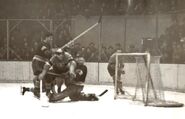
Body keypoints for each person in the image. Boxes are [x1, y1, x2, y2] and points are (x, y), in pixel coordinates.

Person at [21, 32, 53, 98]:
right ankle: (39, 91)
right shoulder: (42, 44)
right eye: (50, 37)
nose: (51, 39)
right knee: (41, 75)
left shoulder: (48, 45)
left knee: (46, 76)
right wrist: (54, 51)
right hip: (37, 62)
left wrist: (56, 52)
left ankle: (44, 92)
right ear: (46, 37)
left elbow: (50, 56)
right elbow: (47, 53)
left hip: (43, 63)